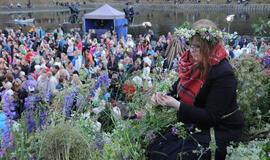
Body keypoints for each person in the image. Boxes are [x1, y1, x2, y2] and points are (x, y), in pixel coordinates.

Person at [148, 19, 244, 160]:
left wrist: (177, 105)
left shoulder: (224, 73)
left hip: (221, 130)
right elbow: (176, 88)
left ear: (210, 46)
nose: (192, 51)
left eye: (198, 47)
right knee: (156, 148)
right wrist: (161, 97)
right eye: (191, 46)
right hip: (199, 124)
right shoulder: (196, 64)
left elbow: (211, 117)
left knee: (173, 157)